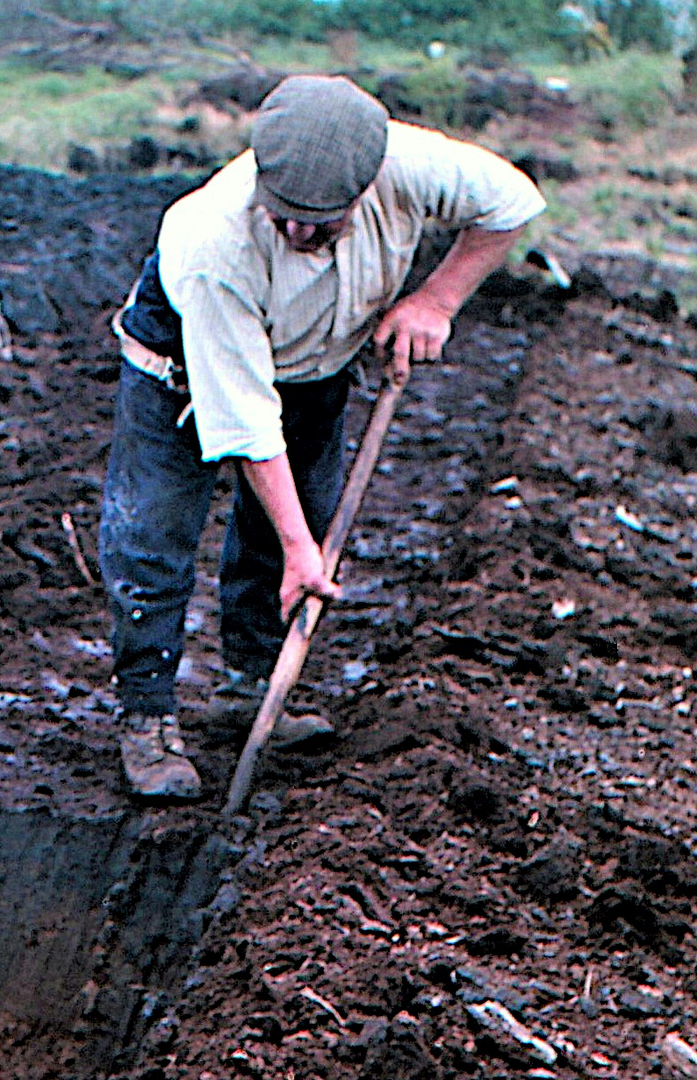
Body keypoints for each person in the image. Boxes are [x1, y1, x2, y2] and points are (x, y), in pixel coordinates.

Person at [99, 74, 546, 799]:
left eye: (322, 220)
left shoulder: (411, 164)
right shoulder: (212, 242)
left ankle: (248, 684)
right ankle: (146, 718)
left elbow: (512, 203)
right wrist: (303, 551)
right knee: (152, 534)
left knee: (283, 526)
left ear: (367, 188)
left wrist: (436, 299)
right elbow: (244, 424)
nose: (300, 233)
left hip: (316, 364)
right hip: (178, 369)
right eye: (285, 216)